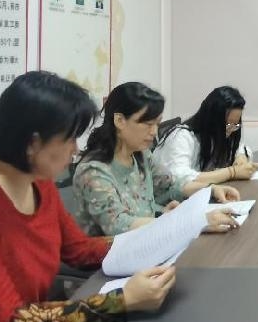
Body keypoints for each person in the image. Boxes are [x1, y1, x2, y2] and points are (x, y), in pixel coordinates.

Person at [0, 71, 177, 322]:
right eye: (69, 139)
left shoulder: (36, 180)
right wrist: (121, 301)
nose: (75, 150)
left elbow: (79, 249)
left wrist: (158, 239)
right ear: (33, 143)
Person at [72, 82, 240, 237]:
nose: (154, 132)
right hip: (110, 253)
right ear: (119, 120)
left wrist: (209, 190)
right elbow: (118, 225)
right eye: (147, 124)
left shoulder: (141, 155)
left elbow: (171, 185)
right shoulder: (93, 170)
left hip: (148, 240)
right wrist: (189, 222)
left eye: (157, 124)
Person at [153, 86, 256, 183]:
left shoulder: (217, 135)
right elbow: (180, 179)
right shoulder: (181, 137)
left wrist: (241, 156)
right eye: (227, 125)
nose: (231, 130)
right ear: (212, 119)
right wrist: (232, 172)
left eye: (235, 125)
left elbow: (240, 147)